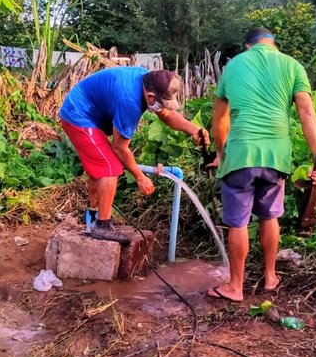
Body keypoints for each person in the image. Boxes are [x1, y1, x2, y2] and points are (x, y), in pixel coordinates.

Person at [207, 27, 316, 301]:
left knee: (238, 223)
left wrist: (220, 153)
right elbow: (307, 112)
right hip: (276, 156)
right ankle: (270, 277)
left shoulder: (235, 65)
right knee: (270, 216)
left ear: (247, 46)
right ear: (273, 44)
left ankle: (235, 287)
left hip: (241, 153)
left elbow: (220, 121)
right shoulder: (292, 65)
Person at [59, 66, 209, 243]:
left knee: (100, 166)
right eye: (162, 103)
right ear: (151, 97)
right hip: (78, 115)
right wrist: (140, 177)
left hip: (91, 112)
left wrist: (194, 129)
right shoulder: (129, 100)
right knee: (109, 167)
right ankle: (102, 226)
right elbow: (120, 148)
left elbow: (167, 115)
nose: (163, 108)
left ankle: (92, 215)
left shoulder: (149, 81)